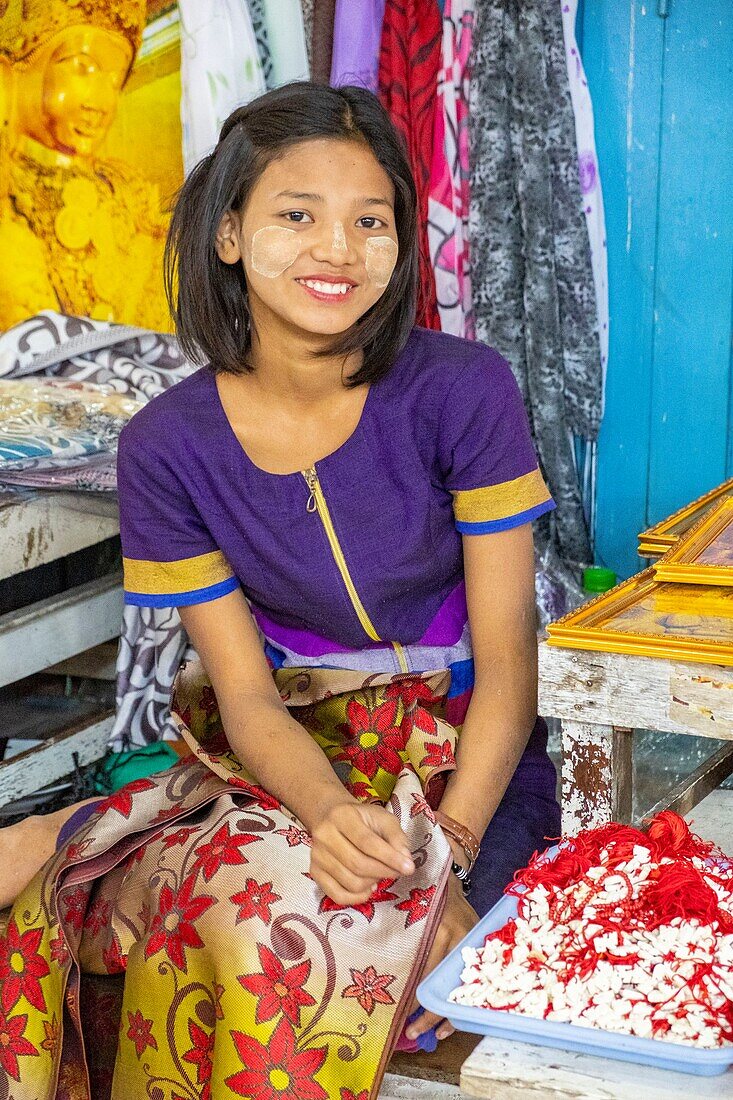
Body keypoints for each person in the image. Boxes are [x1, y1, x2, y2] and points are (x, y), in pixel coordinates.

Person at [0, 82, 560, 1099]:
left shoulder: (461, 388)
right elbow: (250, 699)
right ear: (227, 235)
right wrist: (326, 809)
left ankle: (83, 828)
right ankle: (74, 836)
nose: (335, 250)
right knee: (235, 896)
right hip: (295, 742)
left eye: (369, 220)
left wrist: (446, 856)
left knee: (410, 960)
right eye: (295, 215)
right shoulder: (166, 445)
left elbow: (511, 672)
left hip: (473, 751)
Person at [0, 0, 170, 330]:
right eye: (81, 67)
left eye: (114, 79)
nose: (101, 101)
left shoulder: (130, 201)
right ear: (12, 72)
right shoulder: (8, 190)